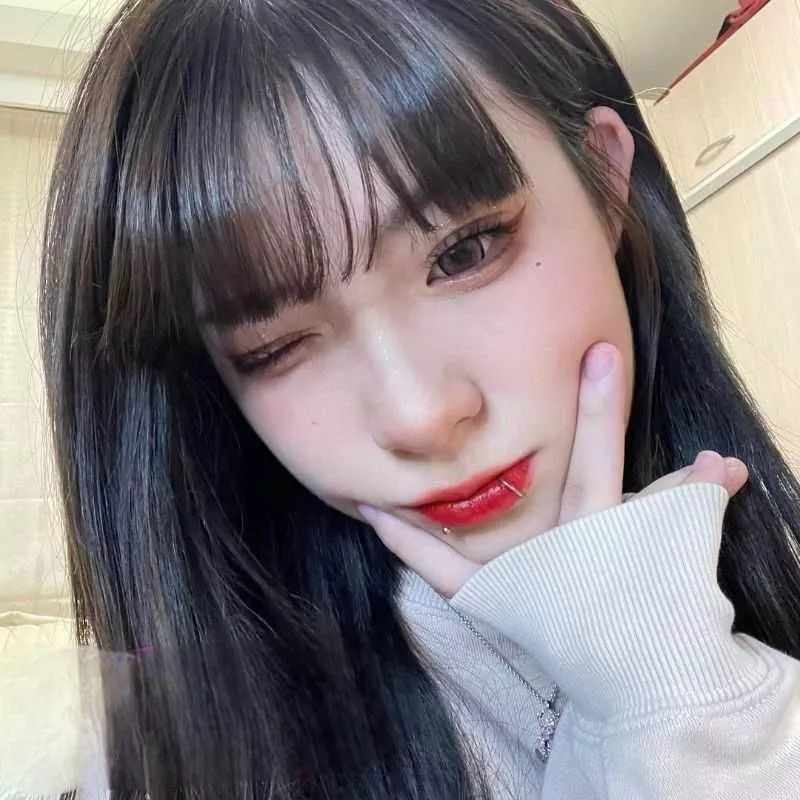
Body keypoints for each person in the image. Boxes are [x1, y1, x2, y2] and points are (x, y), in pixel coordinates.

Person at [38, 0, 800, 797]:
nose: (420, 416)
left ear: (606, 179)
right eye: (274, 347)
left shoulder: (756, 556)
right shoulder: (185, 759)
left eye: (466, 252)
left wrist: (672, 688)